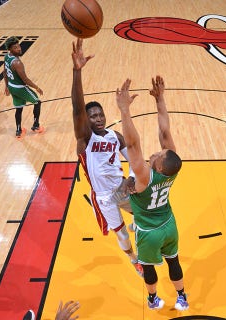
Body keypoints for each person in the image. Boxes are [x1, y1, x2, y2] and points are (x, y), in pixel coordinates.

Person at [114, 76, 189, 311]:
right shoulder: (171, 169)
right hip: (169, 225)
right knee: (173, 261)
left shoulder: (145, 176)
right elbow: (165, 130)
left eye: (157, 155)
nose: (156, 152)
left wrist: (124, 110)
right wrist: (160, 99)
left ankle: (153, 299)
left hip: (150, 232)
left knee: (148, 267)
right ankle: (182, 297)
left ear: (156, 166)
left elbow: (133, 145)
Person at [70, 38, 143, 278]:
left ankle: (138, 227)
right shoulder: (85, 139)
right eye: (93, 116)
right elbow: (77, 109)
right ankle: (134, 260)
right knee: (121, 234)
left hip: (121, 188)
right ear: (87, 120)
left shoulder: (115, 136)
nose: (98, 118)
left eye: (100, 114)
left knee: (146, 212)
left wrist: (132, 177)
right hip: (103, 197)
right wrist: (77, 72)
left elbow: (134, 157)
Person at [2, 36, 44, 139]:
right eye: (16, 47)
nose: (19, 48)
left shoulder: (7, 57)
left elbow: (5, 72)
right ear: (10, 49)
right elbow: (25, 80)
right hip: (20, 88)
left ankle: (18, 131)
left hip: (12, 87)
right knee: (37, 102)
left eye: (19, 46)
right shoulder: (17, 63)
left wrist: (7, 86)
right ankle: (36, 126)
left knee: (19, 108)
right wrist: (37, 87)